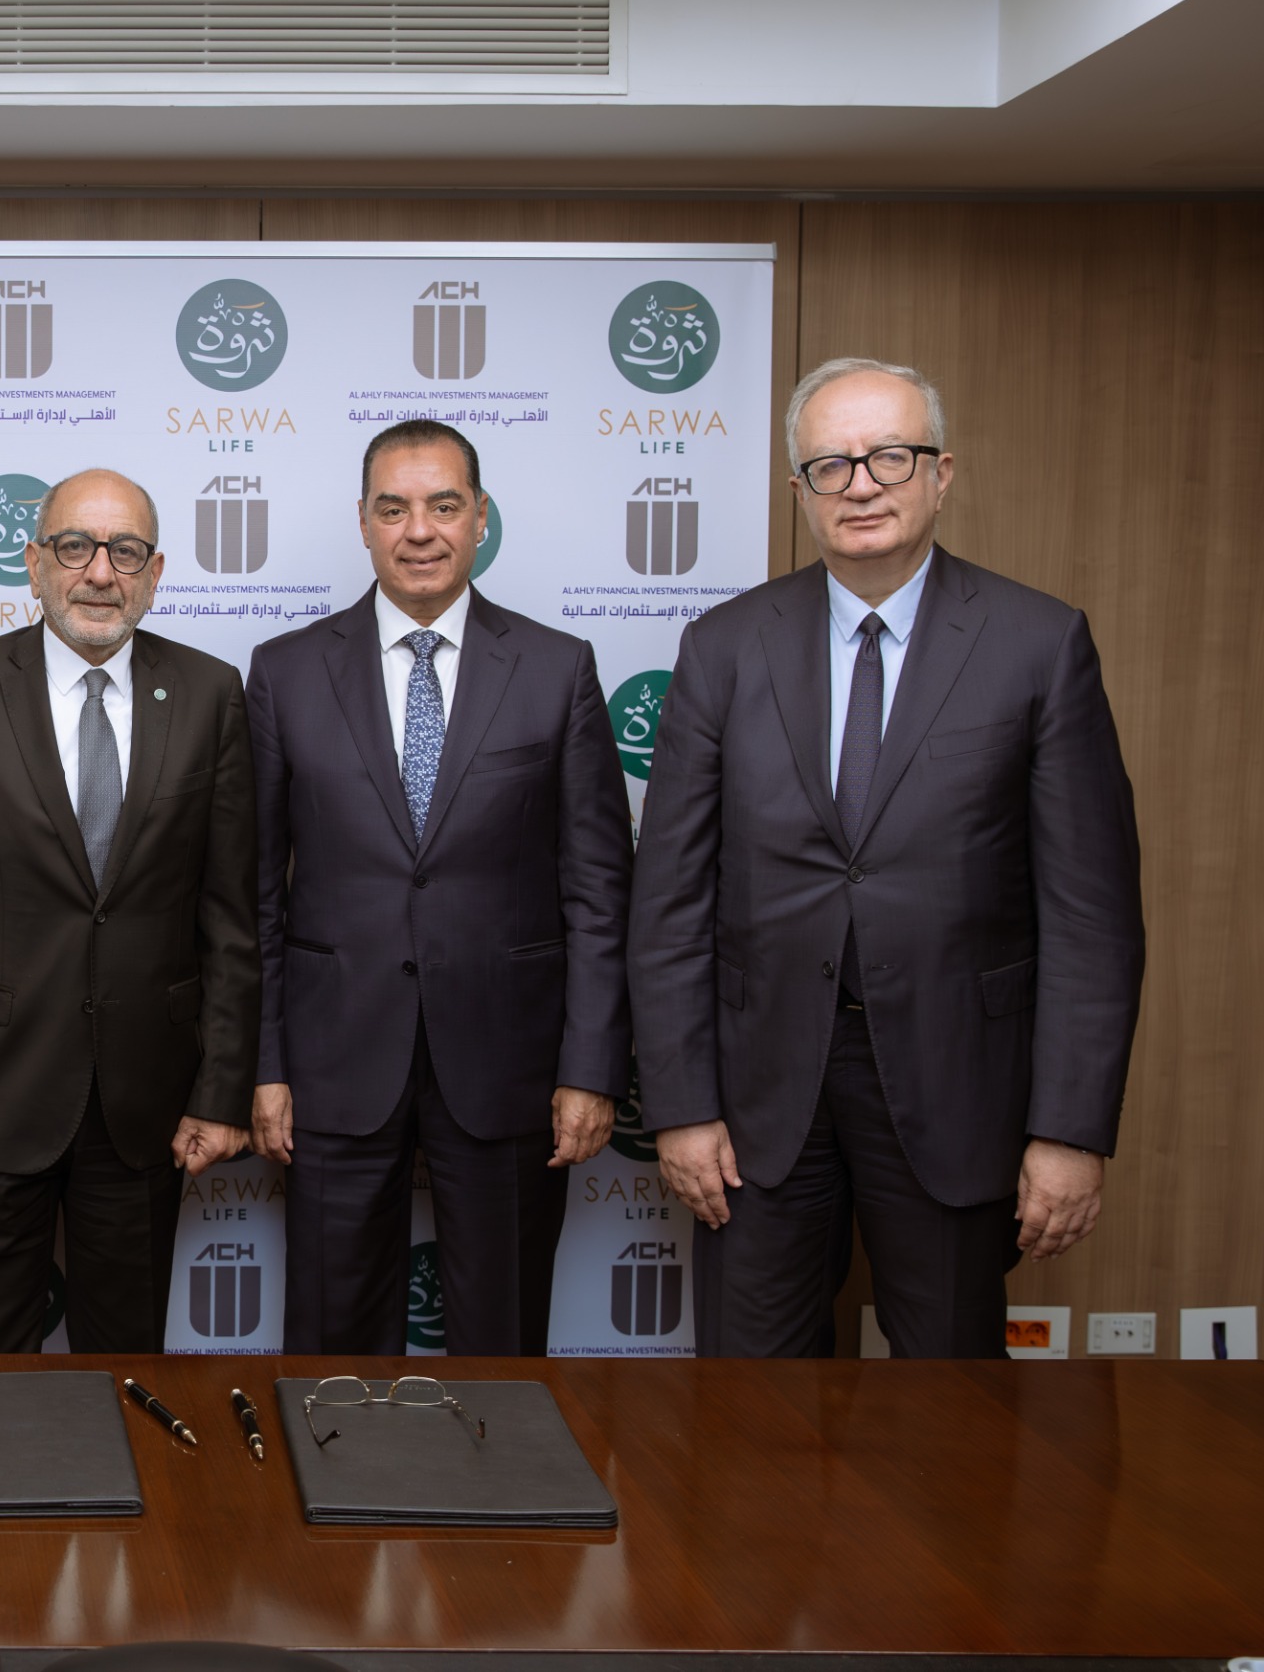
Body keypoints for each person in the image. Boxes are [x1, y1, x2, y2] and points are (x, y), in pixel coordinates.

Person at [630, 357, 1143, 1358]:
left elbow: (1092, 916)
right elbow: (670, 901)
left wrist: (1071, 1129)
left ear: (940, 474)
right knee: (747, 1405)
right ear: (800, 491)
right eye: (831, 464)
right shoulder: (724, 647)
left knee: (951, 1404)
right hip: (759, 1101)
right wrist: (681, 1109)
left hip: (961, 1087)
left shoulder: (1038, 644)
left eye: (889, 457)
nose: (860, 484)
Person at [246, 420, 634, 1356]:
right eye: (394, 509)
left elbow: (597, 893)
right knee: (332, 1344)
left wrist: (589, 1067)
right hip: (334, 1062)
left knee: (503, 1339)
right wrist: (264, 1063)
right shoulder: (285, 671)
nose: (419, 530)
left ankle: (497, 1462)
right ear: (363, 523)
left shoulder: (558, 668)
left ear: (480, 517)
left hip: (510, 1063)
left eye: (443, 505)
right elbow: (253, 894)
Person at [0, 467, 258, 1354]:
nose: (99, 572)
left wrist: (220, 1092)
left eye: (125, 551)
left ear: (155, 572)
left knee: (125, 1370)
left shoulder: (209, 693)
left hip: (146, 1106)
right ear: (33, 562)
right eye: (74, 547)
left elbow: (230, 918)